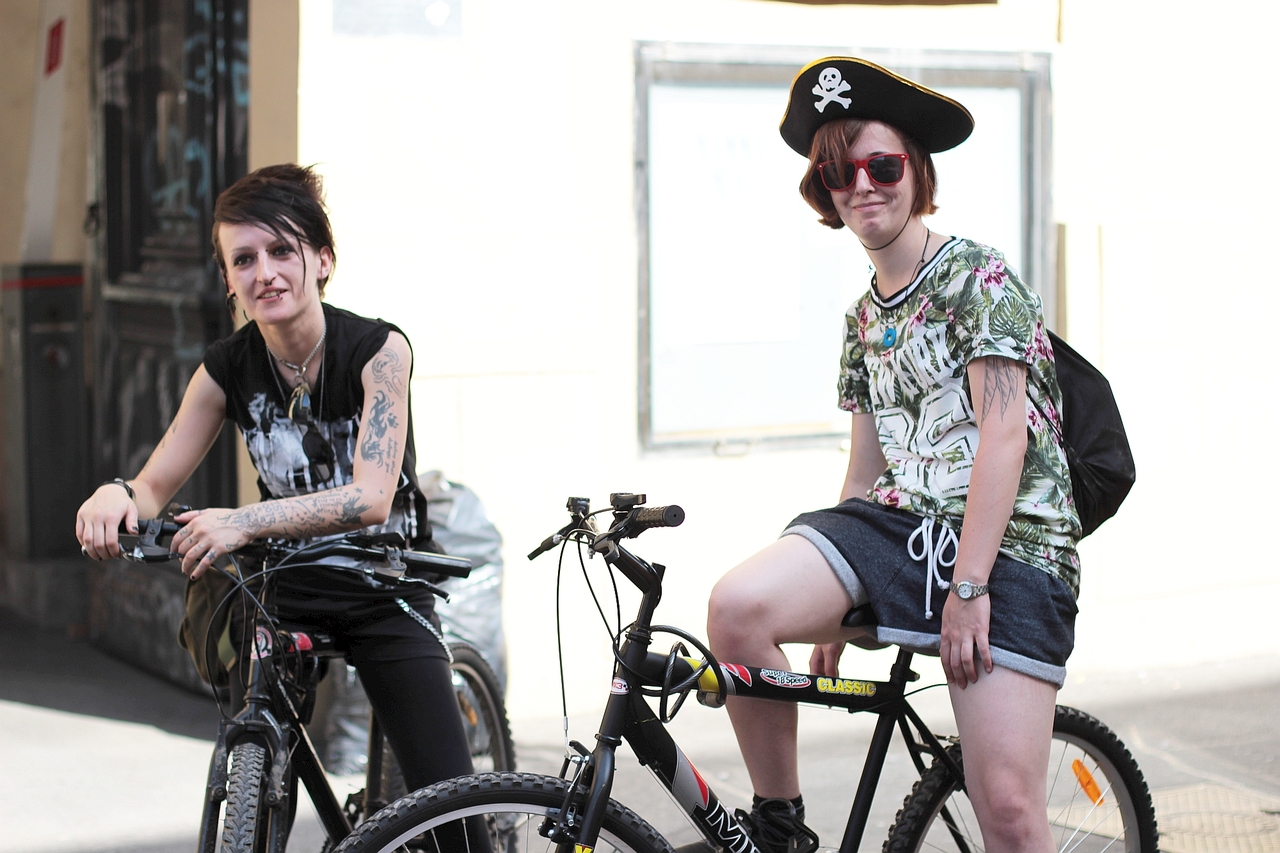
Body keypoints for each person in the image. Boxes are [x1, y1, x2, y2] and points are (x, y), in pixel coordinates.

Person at [707, 58, 1081, 853]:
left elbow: (1005, 437)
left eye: (882, 166)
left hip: (1010, 548)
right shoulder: (860, 319)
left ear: (916, 170)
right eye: (839, 173)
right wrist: (836, 597)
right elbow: (864, 470)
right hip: (901, 534)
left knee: (1008, 811)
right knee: (736, 610)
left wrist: (969, 588)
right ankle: (779, 827)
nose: (862, 186)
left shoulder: (977, 277)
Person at [75, 164, 486, 843]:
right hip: (285, 587)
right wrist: (115, 494)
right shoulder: (226, 368)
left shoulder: (379, 351)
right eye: (243, 259)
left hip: (386, 585)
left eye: (280, 251)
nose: (263, 272)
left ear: (321, 260)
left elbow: (371, 497)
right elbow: (152, 486)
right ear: (228, 279)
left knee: (451, 815)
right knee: (259, 761)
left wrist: (242, 521)